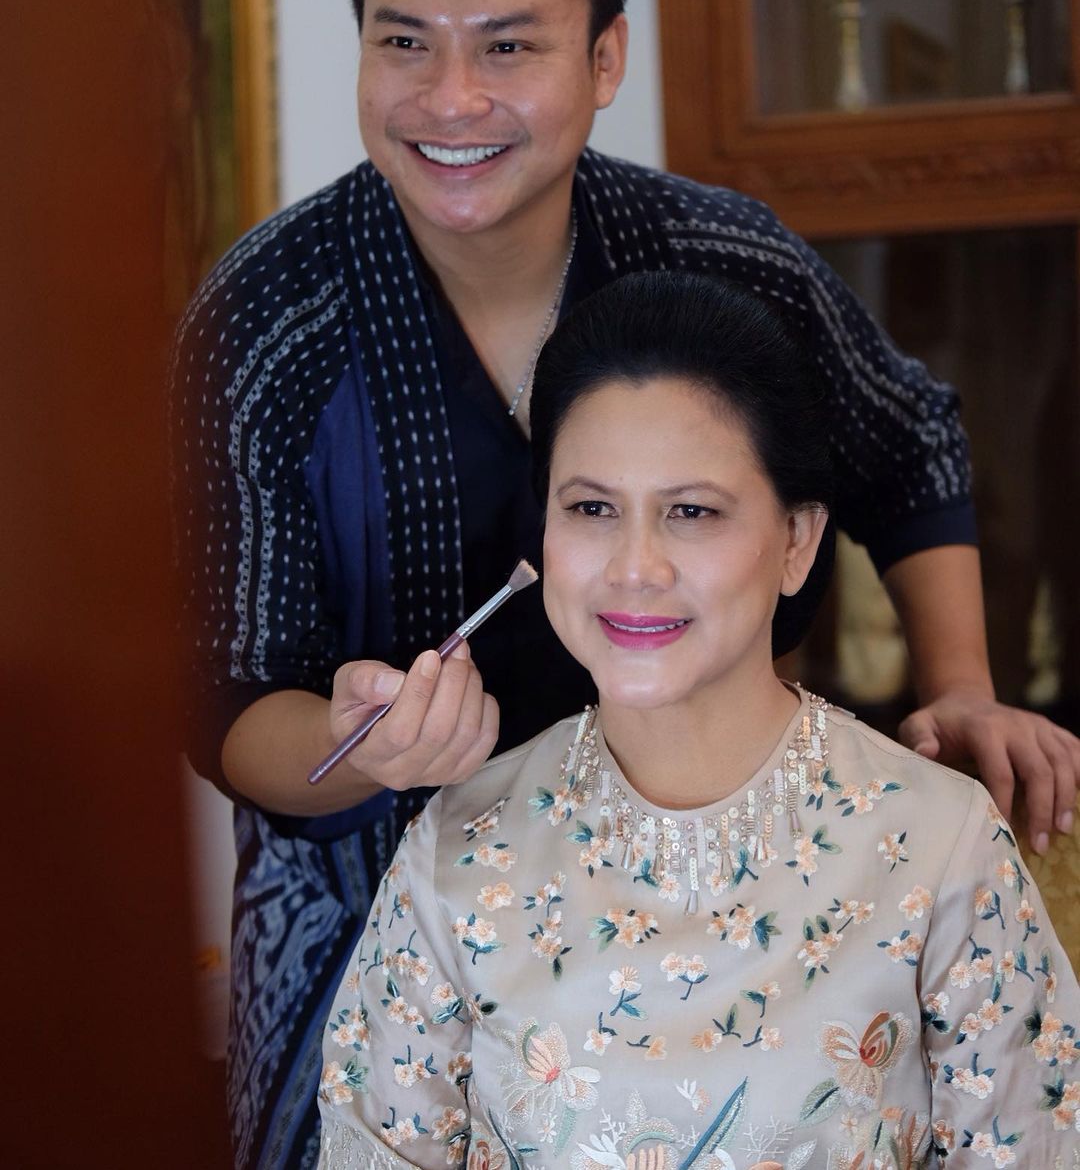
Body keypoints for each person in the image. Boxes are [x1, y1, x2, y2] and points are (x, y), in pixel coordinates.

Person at [169, 0, 1080, 1165]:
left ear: (606, 58)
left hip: (765, 898)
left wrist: (959, 685)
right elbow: (221, 694)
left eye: (509, 47)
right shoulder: (266, 327)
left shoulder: (726, 261)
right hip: (387, 915)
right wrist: (360, 753)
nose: (452, 98)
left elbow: (906, 443)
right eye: (405, 40)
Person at [315, 271, 1080, 1168]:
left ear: (797, 541)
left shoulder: (939, 847)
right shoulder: (456, 853)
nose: (634, 567)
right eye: (591, 508)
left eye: (691, 512)